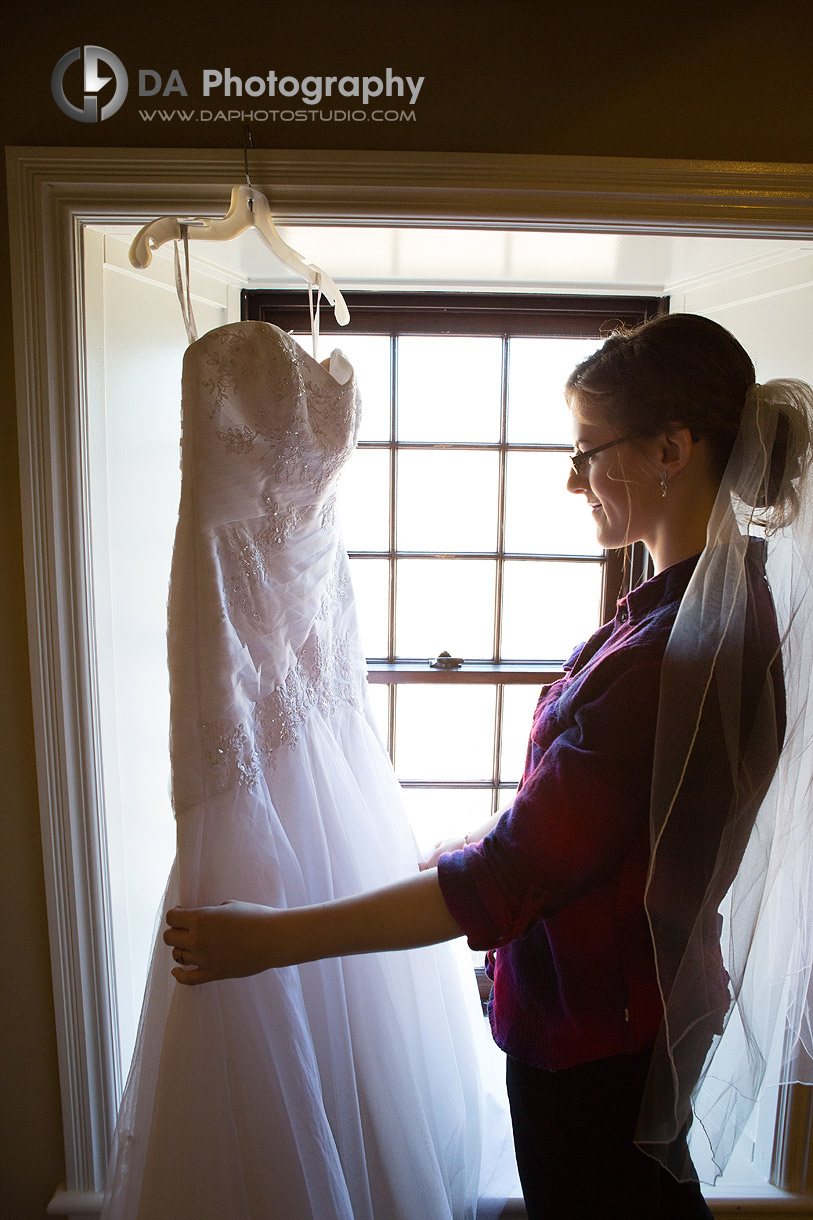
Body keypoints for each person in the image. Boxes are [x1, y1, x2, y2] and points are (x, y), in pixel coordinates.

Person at [164, 314, 813, 1219]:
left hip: (598, 1036)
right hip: (622, 1008)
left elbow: (511, 881)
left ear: (671, 448)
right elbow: (618, 815)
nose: (571, 477)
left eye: (588, 450)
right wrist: (485, 835)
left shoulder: (676, 653)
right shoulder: (684, 613)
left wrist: (268, 941)